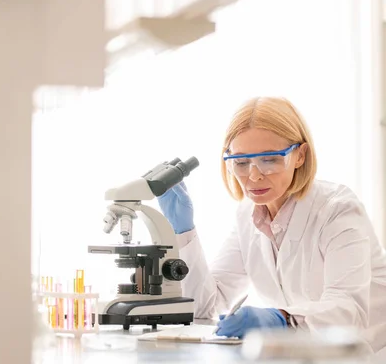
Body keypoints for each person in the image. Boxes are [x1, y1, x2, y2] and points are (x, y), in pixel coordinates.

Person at [157, 97, 386, 356]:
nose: (253, 176)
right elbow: (206, 307)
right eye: (241, 163)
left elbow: (348, 311)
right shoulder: (247, 216)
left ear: (300, 155)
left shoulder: (337, 210)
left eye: (269, 160)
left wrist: (281, 318)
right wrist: (184, 231)